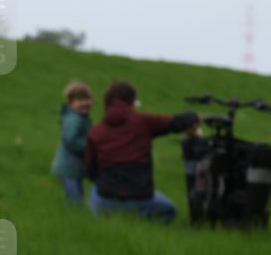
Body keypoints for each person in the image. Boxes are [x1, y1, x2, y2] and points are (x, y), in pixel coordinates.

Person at [84, 81, 199, 223]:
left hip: (106, 198)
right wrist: (194, 116)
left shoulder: (95, 132)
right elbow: (176, 122)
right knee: (170, 211)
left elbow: (89, 171)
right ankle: (144, 224)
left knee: (94, 193)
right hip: (139, 197)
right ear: (131, 102)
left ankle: (106, 220)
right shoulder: (143, 121)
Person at [50, 80, 93, 203]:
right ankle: (72, 215)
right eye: (80, 100)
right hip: (68, 168)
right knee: (74, 200)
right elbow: (70, 140)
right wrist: (89, 147)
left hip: (74, 168)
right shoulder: (74, 119)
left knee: (76, 196)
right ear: (70, 103)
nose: (85, 103)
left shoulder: (81, 117)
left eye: (87, 99)